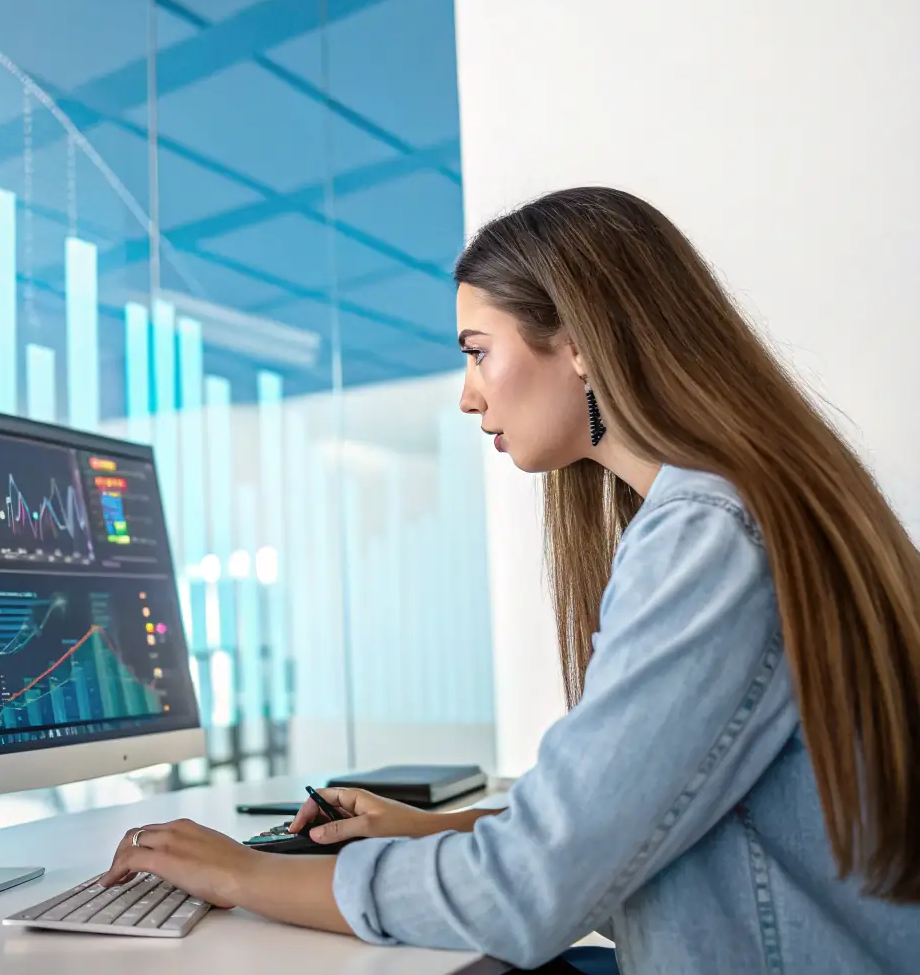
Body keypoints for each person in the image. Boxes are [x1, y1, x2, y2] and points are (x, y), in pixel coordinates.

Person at [101, 187, 920, 973]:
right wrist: (441, 830)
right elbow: (661, 817)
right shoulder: (739, 505)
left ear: (579, 343)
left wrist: (241, 876)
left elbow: (529, 891)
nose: (466, 396)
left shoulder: (707, 535)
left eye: (477, 353)